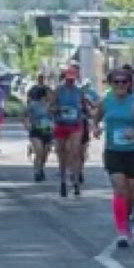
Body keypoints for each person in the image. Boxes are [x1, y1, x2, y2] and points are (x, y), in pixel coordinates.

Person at [96, 65, 134, 248]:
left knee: (131, 192)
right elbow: (97, 117)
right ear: (110, 83)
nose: (120, 85)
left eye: (124, 82)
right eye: (116, 82)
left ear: (129, 84)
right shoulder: (106, 101)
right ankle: (122, 230)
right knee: (120, 188)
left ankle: (126, 216)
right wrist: (95, 127)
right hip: (113, 151)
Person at [51, 64, 92, 197]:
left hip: (75, 125)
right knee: (62, 153)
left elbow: (86, 107)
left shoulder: (79, 91)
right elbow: (50, 107)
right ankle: (63, 180)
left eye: (73, 79)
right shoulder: (58, 90)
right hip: (61, 124)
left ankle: (75, 181)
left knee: (75, 152)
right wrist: (59, 109)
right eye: (69, 79)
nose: (70, 81)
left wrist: (87, 113)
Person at [23, 72, 55, 183]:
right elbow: (26, 115)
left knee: (45, 153)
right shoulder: (33, 104)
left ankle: (41, 168)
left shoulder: (52, 106)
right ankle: (36, 171)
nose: (51, 96)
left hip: (47, 131)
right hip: (36, 130)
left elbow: (57, 117)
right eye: (49, 94)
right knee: (39, 151)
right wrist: (27, 124)